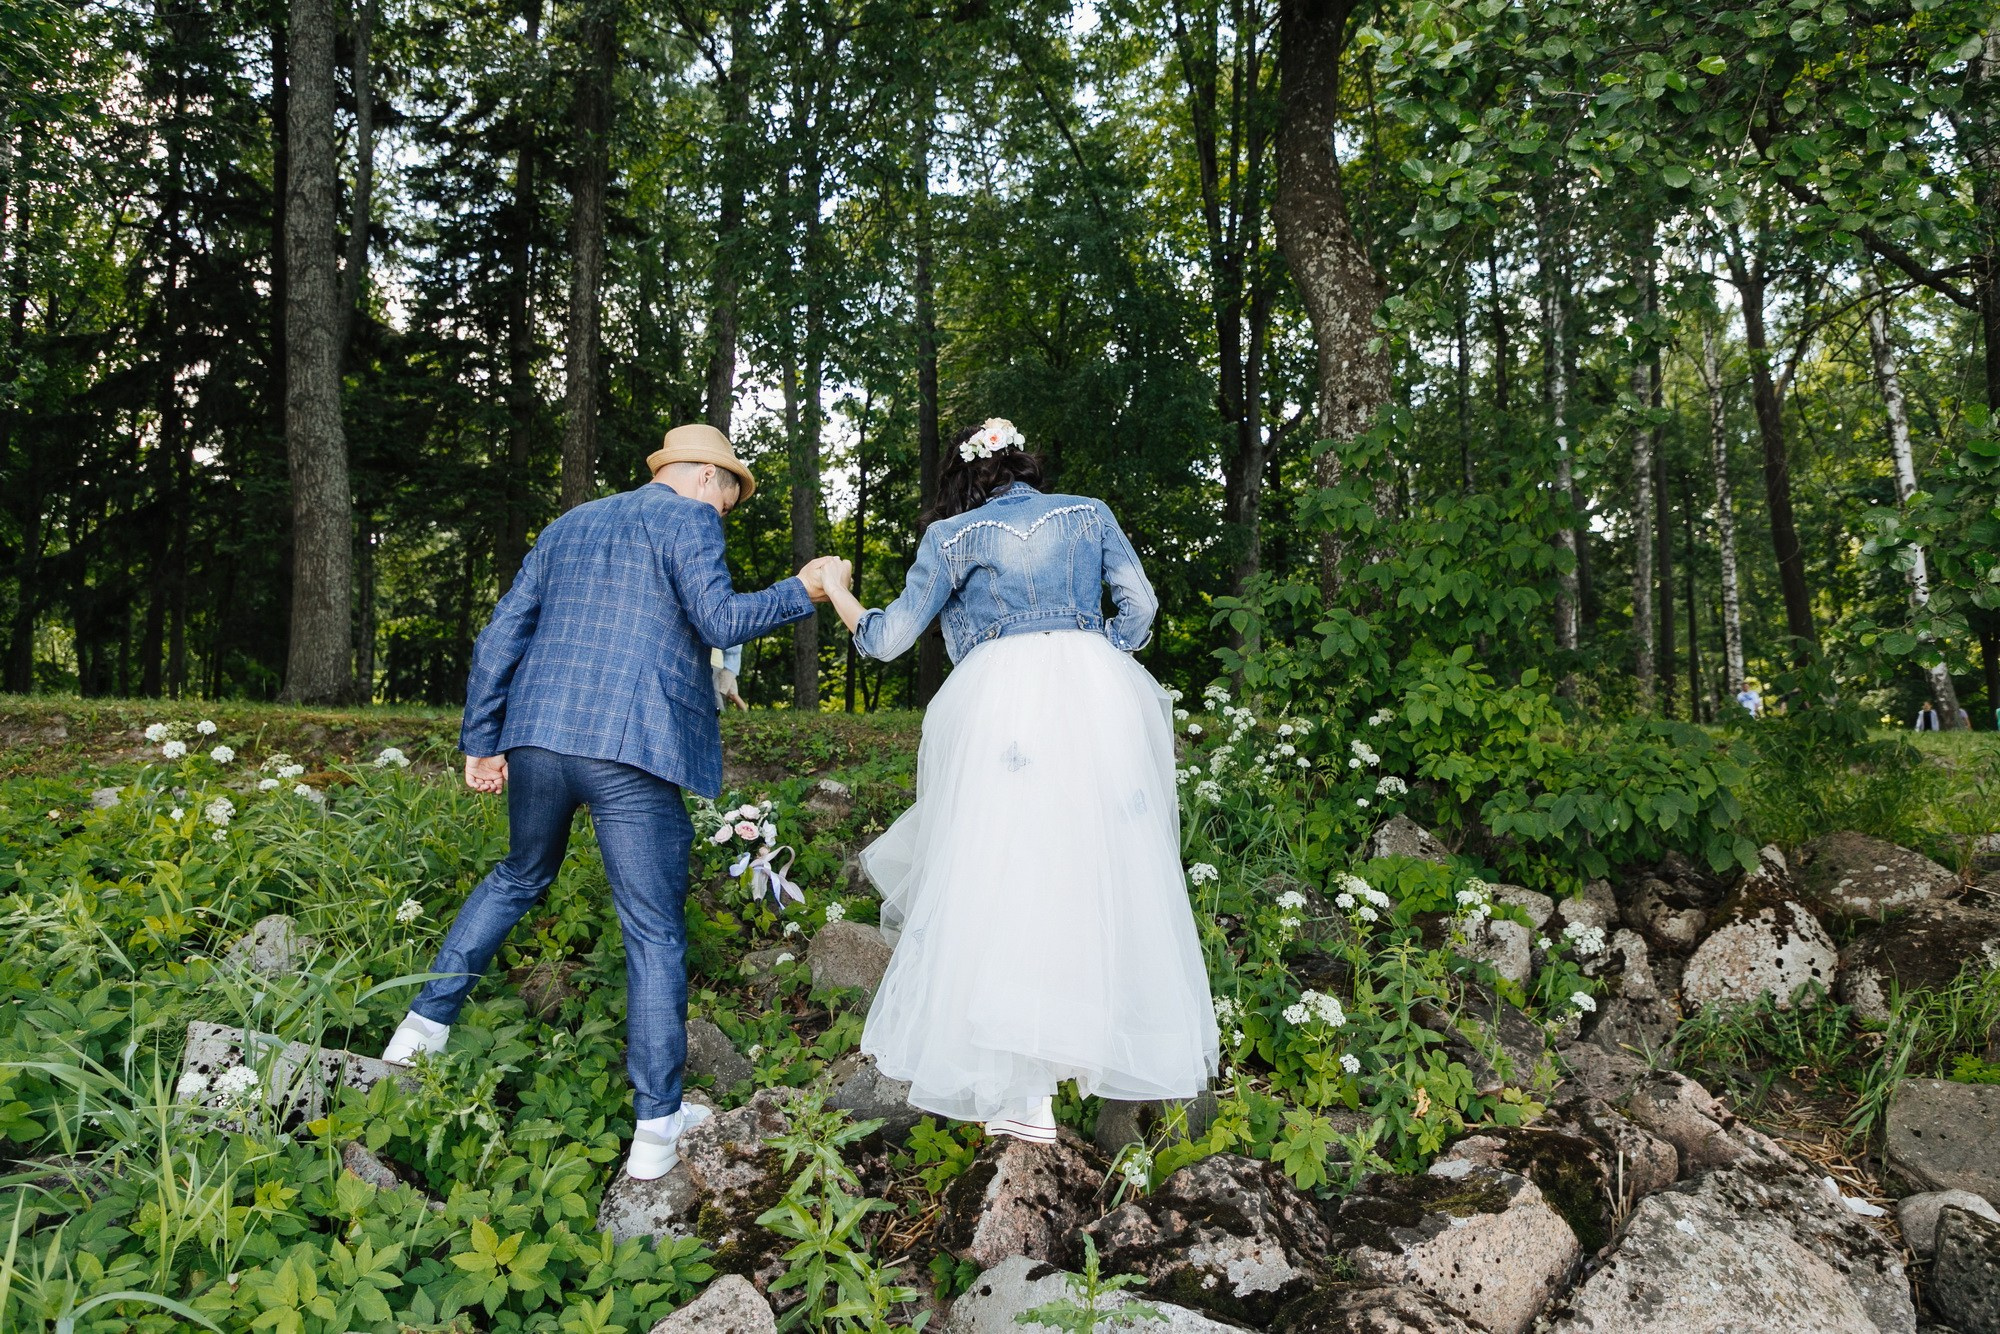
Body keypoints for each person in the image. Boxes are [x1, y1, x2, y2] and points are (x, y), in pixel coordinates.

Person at [380, 423, 840, 1181]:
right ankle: (656, 1132)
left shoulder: (571, 524)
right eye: (726, 499)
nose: (722, 514)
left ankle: (419, 1030)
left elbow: (503, 633)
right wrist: (805, 589)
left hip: (538, 736)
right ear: (702, 479)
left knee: (520, 876)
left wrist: (481, 738)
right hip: (633, 745)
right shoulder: (688, 517)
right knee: (654, 932)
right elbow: (720, 619)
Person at [819, 417, 1218, 1144]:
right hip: (1094, 694)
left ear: (965, 476)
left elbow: (887, 640)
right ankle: (1109, 1052)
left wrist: (837, 587)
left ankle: (1025, 1092)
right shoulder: (1088, 515)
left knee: (1008, 867)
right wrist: (1104, 653)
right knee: (1102, 866)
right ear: (1024, 465)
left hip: (1001, 701)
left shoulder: (953, 538)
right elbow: (1143, 607)